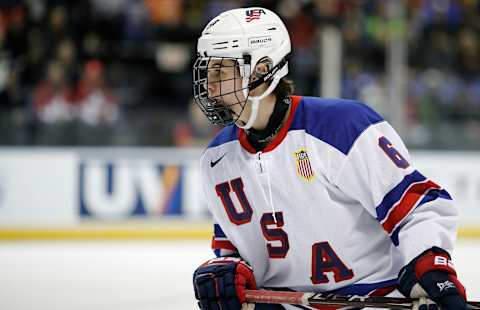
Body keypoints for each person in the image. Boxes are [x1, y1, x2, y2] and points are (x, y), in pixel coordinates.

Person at [191, 7, 467, 310]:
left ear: (262, 68)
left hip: (375, 301)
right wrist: (227, 271)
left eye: (221, 70)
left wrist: (429, 265)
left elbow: (418, 207)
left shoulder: (342, 126)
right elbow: (233, 248)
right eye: (207, 71)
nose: (210, 84)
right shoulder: (216, 159)